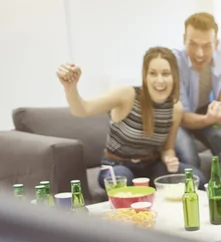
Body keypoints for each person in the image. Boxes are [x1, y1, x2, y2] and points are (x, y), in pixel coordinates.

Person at [56, 47, 204, 189]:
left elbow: (168, 149)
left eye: (165, 73)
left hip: (151, 166)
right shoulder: (127, 95)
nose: (160, 80)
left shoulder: (175, 108)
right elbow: (82, 110)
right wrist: (71, 88)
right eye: (153, 73)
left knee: (196, 178)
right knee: (124, 180)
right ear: (145, 76)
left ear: (175, 77)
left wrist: (169, 158)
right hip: (117, 166)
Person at [172, 12, 221, 192]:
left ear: (216, 44)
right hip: (178, 120)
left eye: (207, 46)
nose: (199, 54)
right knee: (191, 162)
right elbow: (183, 116)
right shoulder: (174, 61)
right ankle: (196, 210)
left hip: (205, 112)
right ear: (184, 39)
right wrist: (211, 119)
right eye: (192, 44)